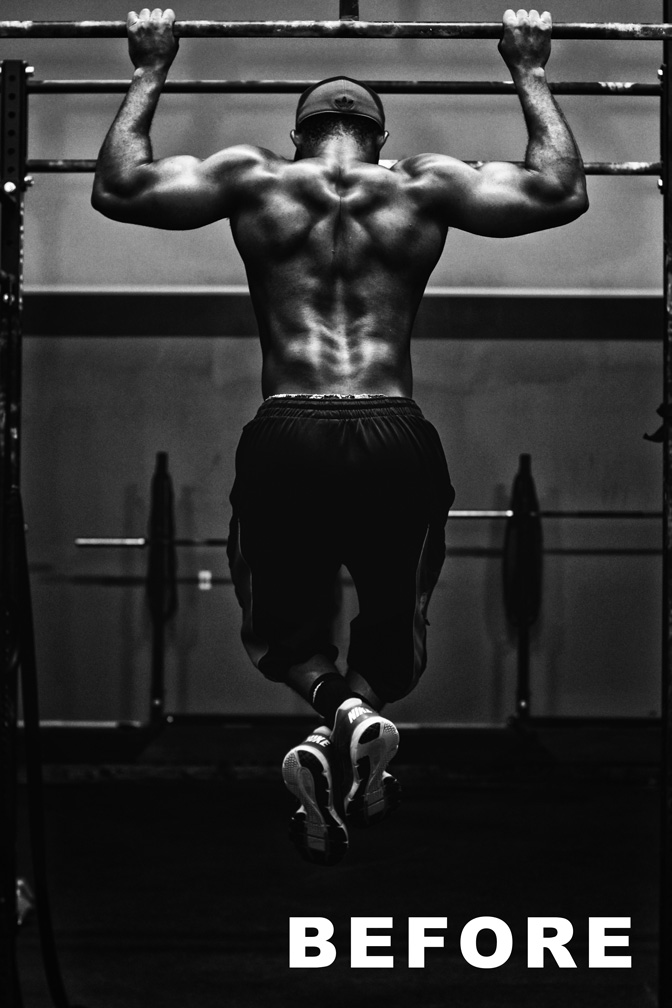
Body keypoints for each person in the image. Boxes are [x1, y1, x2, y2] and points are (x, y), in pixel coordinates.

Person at [92, 8, 588, 866]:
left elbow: (120, 186)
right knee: (398, 628)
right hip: (394, 428)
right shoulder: (426, 183)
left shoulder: (253, 178)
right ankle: (356, 717)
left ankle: (336, 715)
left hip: (288, 428)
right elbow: (560, 190)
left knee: (280, 632)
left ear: (298, 134)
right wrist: (530, 68)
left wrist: (149, 65)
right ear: (379, 133)